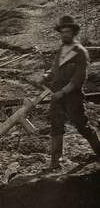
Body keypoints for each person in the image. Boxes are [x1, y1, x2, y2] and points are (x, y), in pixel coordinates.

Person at [41, 15, 100, 169]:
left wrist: (63, 91)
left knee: (82, 126)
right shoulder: (61, 50)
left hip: (73, 96)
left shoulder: (81, 52)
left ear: (74, 32)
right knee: (56, 127)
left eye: (67, 31)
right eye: (62, 32)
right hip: (57, 96)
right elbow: (54, 70)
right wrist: (47, 75)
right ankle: (55, 163)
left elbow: (79, 78)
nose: (64, 34)